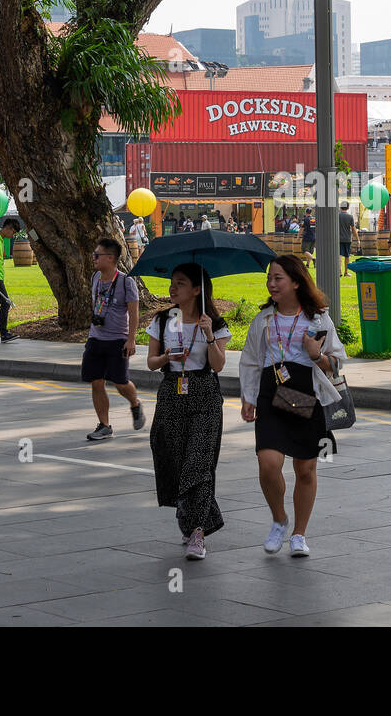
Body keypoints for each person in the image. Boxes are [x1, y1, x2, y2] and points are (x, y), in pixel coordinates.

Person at [239, 255, 347, 558]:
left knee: (306, 468)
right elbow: (250, 360)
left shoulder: (318, 318)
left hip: (306, 395)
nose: (271, 284)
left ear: (296, 282)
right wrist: (248, 397)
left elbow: (336, 362)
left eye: (278, 278)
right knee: (268, 464)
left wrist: (317, 355)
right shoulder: (263, 320)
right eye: (270, 278)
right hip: (271, 396)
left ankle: (299, 534)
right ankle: (279, 519)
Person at [147, 263, 230, 559]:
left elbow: (219, 365)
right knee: (175, 457)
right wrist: (168, 356)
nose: (173, 288)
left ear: (197, 289)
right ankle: (189, 514)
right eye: (172, 283)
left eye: (180, 283)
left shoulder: (214, 323)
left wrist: (208, 336)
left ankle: (198, 532)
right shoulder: (162, 320)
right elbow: (151, 362)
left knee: (200, 462)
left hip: (205, 393)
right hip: (172, 391)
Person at [82, 237, 146, 439]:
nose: (93, 258)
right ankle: (104, 425)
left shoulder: (126, 282)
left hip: (118, 339)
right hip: (96, 337)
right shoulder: (95, 278)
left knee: (120, 383)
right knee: (96, 382)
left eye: (96, 255)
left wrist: (131, 339)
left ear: (110, 258)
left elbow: (134, 313)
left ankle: (135, 404)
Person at [337, 202, 359, 278]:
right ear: (348, 208)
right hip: (347, 238)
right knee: (347, 256)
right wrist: (357, 239)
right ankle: (346, 272)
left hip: (338, 238)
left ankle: (339, 271)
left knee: (339, 255)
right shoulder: (350, 217)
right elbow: (353, 229)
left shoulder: (337, 216)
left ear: (340, 207)